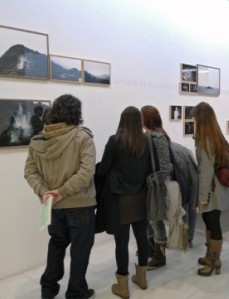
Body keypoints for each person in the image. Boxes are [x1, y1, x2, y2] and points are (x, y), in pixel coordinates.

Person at [24, 94, 96, 299]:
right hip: (80, 204)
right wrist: (61, 192)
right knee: (80, 251)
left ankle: (48, 289)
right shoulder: (83, 137)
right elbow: (86, 173)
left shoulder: (38, 140)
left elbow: (29, 171)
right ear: (77, 113)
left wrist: (44, 191)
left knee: (56, 245)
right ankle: (76, 293)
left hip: (52, 205)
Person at [97, 106, 151, 299]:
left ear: (122, 120)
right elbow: (153, 168)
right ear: (139, 121)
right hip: (141, 197)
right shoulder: (146, 140)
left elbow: (103, 169)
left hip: (120, 199)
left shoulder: (115, 140)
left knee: (122, 242)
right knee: (142, 237)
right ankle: (142, 278)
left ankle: (123, 285)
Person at [191, 102, 229, 276]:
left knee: (213, 224)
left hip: (211, 190)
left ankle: (214, 260)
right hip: (216, 188)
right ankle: (210, 255)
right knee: (211, 223)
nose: (193, 121)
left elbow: (206, 170)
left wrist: (203, 196)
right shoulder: (214, 136)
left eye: (194, 118)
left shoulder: (206, 139)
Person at [140, 105, 173, 270]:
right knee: (152, 219)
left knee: (155, 220)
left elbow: (165, 165)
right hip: (159, 183)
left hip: (155, 185)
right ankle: (154, 250)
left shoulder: (152, 137)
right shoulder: (163, 135)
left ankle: (160, 255)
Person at [170, 141, 198, 247]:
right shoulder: (176, 146)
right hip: (193, 176)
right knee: (191, 207)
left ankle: (183, 240)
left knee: (183, 206)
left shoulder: (169, 149)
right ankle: (188, 239)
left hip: (184, 177)